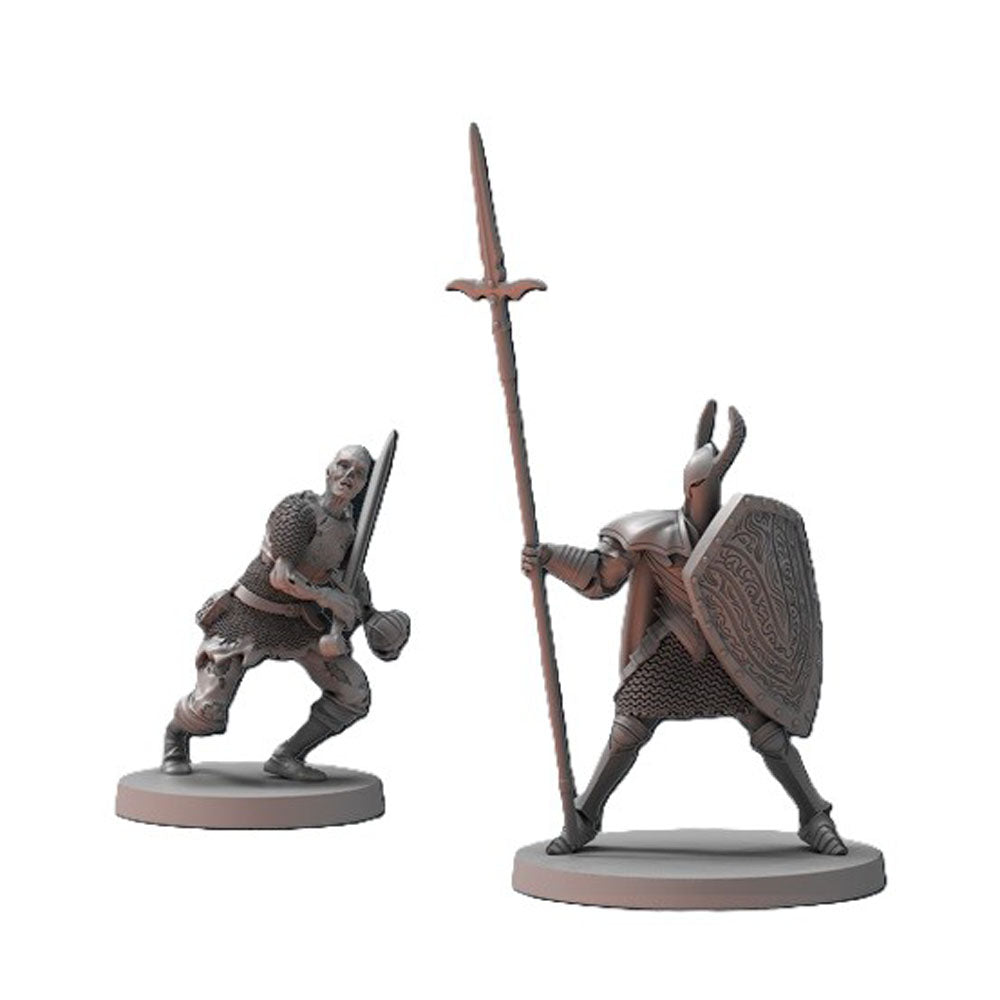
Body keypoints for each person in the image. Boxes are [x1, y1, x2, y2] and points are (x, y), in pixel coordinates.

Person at [523, 402, 846, 856]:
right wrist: (552, 558)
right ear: (689, 486)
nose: (705, 495)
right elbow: (600, 576)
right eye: (702, 484)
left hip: (729, 648)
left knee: (769, 731)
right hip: (672, 645)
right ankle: (584, 818)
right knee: (629, 727)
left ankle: (814, 816)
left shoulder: (740, 540)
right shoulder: (646, 532)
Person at [162, 445, 409, 781]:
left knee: (353, 694)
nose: (349, 476)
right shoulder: (298, 511)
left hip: (301, 625)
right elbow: (282, 577)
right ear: (328, 470)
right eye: (343, 466)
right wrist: (329, 599)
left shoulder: (348, 529)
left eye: (359, 473)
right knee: (207, 712)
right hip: (248, 618)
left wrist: (369, 615)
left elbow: (350, 574)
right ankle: (176, 738)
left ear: (365, 484)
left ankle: (287, 756)